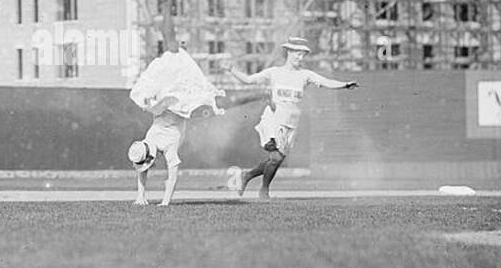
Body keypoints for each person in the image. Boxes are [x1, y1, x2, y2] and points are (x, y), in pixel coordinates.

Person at [228, 36, 358, 200]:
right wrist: (232, 69)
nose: (301, 57)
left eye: (303, 55)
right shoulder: (274, 72)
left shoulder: (305, 75)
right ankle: (264, 191)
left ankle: (247, 177)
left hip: (292, 123)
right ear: (289, 52)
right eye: (298, 54)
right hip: (275, 119)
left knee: (276, 160)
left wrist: (344, 85)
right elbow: (248, 80)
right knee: (275, 158)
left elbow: (326, 82)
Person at [127, 45, 223, 207]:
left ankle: (175, 53)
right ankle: (174, 54)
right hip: (168, 110)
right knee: (172, 81)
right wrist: (140, 196)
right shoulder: (150, 141)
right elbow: (143, 170)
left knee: (176, 83)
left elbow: (172, 175)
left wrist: (165, 202)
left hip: (174, 107)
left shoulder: (167, 144)